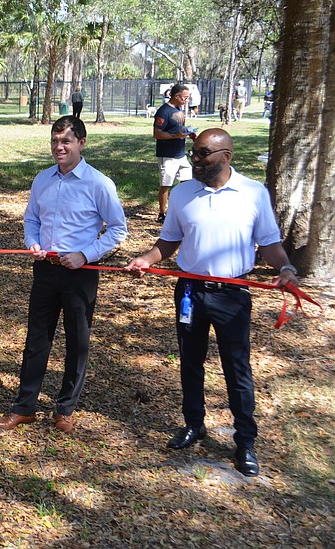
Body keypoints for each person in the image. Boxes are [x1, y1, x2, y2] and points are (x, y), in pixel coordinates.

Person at [124, 128, 298, 478]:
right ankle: (194, 424)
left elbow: (269, 244)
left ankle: (245, 441)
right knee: (190, 361)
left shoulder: (252, 193)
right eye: (194, 153)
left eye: (204, 154)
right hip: (190, 291)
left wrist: (287, 269)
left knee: (237, 369)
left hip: (232, 295)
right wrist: (147, 259)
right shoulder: (183, 193)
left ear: (226, 156)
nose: (196, 160)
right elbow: (169, 241)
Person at [0, 116, 127, 434]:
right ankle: (24, 408)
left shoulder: (99, 184)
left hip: (81, 273)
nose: (59, 147)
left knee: (77, 342)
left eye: (65, 140)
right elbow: (31, 219)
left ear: (82, 143)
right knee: (37, 340)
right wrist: (32, 242)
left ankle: (65, 409)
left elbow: (118, 229)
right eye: (54, 140)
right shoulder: (42, 180)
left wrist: (86, 254)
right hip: (45, 270)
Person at [153, 83, 194, 223]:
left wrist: (189, 133)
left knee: (187, 182)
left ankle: (182, 210)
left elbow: (179, 128)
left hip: (181, 154)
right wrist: (175, 136)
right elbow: (156, 133)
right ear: (176, 96)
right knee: (166, 184)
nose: (187, 101)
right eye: (185, 98)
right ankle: (162, 214)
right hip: (167, 155)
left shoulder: (179, 109)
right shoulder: (163, 111)